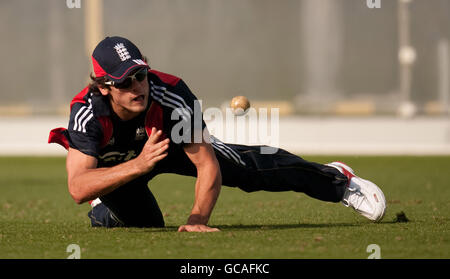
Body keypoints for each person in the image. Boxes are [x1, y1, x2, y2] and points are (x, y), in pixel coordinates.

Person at [49, 36, 386, 232]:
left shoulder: (171, 93)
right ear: (104, 87)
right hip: (130, 166)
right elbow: (78, 187)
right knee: (146, 225)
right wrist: (139, 165)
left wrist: (198, 219)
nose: (137, 86)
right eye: (124, 81)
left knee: (248, 168)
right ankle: (105, 207)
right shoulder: (88, 113)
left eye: (140, 75)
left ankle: (339, 181)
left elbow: (207, 164)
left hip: (172, 144)